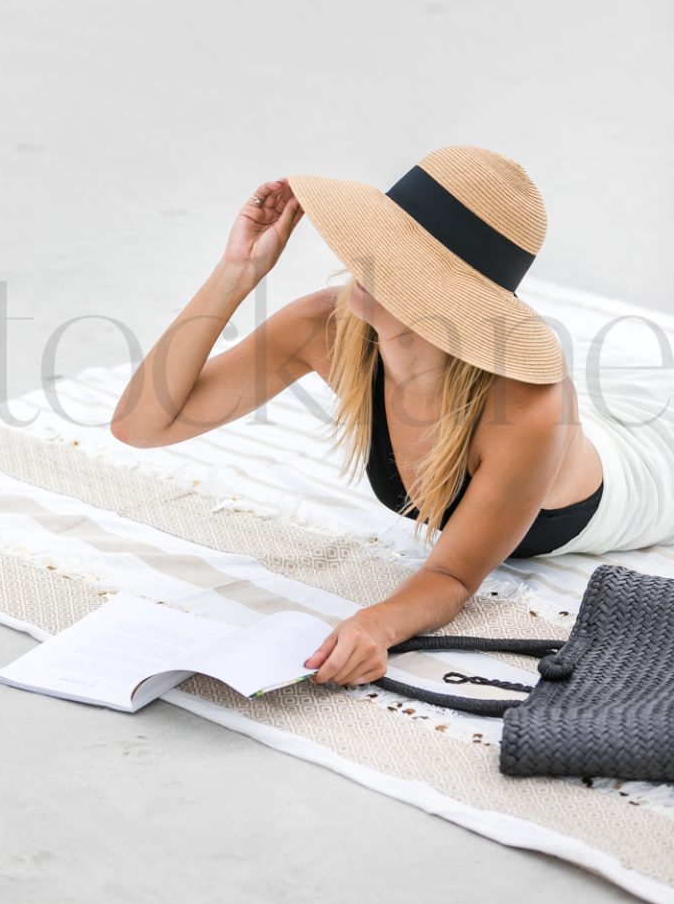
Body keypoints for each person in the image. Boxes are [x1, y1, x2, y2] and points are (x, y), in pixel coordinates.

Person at [110, 144, 674, 689]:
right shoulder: (327, 326)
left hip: (651, 472)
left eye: (402, 257)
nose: (367, 259)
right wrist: (237, 271)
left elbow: (453, 578)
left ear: (453, 298)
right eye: (377, 239)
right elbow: (142, 424)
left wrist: (376, 624)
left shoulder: (528, 408)